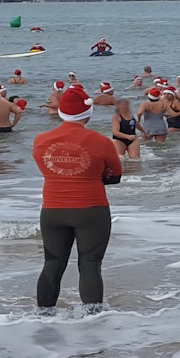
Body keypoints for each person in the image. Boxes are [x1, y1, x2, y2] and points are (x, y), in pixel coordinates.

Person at [32, 85, 121, 313]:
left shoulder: (40, 140)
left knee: (52, 263)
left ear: (61, 112)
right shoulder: (101, 141)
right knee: (90, 264)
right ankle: (92, 318)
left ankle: (42, 317)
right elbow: (115, 176)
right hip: (91, 209)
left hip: (52, 210)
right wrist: (94, 175)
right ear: (88, 113)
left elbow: (47, 169)